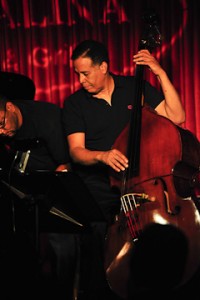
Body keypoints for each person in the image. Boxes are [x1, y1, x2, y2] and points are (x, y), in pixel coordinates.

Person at [62, 39, 186, 299]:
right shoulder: (75, 104)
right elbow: (76, 152)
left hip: (143, 179)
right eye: (78, 75)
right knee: (97, 236)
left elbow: (177, 117)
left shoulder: (134, 87)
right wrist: (102, 156)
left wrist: (159, 72)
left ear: (104, 66)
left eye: (85, 73)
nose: (81, 80)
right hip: (102, 185)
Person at [0, 96, 77, 300]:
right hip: (25, 190)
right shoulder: (6, 127)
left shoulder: (47, 118)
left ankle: (65, 291)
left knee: (61, 243)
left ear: (10, 107)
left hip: (57, 189)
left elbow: (65, 165)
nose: (1, 131)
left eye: (1, 123)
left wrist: (48, 195)